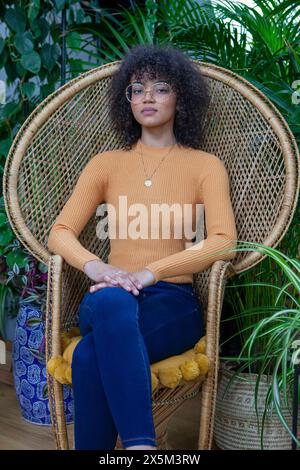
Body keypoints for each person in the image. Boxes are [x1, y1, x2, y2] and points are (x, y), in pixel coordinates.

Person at [47, 43, 238, 451]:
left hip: (172, 301)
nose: (147, 97)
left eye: (160, 87)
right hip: (107, 294)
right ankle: (140, 448)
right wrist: (97, 268)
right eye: (137, 89)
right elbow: (59, 231)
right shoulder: (105, 164)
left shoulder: (205, 166)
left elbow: (224, 242)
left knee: (87, 357)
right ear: (126, 100)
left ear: (181, 96)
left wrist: (151, 272)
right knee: (115, 301)